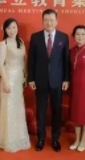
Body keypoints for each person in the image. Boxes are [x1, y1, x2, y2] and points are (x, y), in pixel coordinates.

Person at [27, 9, 70, 152]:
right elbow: (31, 60)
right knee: (41, 111)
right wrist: (31, 78)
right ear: (42, 21)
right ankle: (41, 138)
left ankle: (56, 139)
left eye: (52, 20)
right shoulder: (35, 37)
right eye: (46, 20)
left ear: (56, 21)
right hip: (40, 80)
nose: (49, 23)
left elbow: (66, 60)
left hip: (57, 81)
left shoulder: (63, 37)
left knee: (57, 110)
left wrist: (66, 79)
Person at [0, 18, 31, 152]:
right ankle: (8, 139)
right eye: (9, 28)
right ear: (5, 30)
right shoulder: (3, 45)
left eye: (14, 27)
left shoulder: (20, 43)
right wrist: (5, 82)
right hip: (8, 78)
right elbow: (0, 65)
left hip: (19, 79)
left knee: (18, 107)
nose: (12, 30)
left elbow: (24, 61)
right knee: (8, 107)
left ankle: (19, 137)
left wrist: (25, 77)